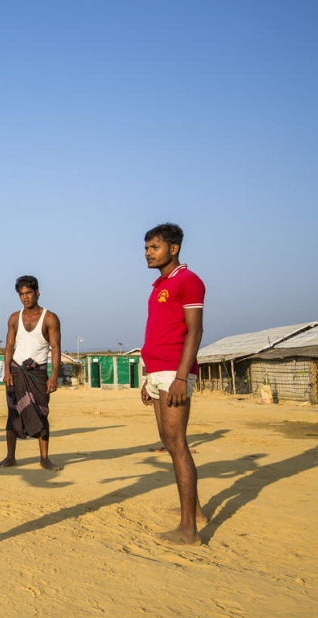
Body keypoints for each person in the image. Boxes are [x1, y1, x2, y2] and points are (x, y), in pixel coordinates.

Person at [140, 222, 207, 546]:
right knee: (167, 440)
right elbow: (159, 331)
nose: (148, 253)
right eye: (146, 248)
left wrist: (181, 377)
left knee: (177, 443)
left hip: (173, 372)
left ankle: (188, 530)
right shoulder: (158, 285)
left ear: (173, 248)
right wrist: (146, 376)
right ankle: (196, 512)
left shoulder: (189, 281)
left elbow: (195, 331)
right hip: (158, 372)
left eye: (154, 247)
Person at [0, 275, 63, 471]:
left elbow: (56, 348)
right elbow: (9, 346)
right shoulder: (14, 318)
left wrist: (53, 375)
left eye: (28, 293)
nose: (25, 297)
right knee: (12, 413)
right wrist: (7, 370)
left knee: (41, 414)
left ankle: (44, 458)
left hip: (38, 373)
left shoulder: (50, 318)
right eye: (21, 294)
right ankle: (10, 456)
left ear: (37, 292)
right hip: (16, 372)